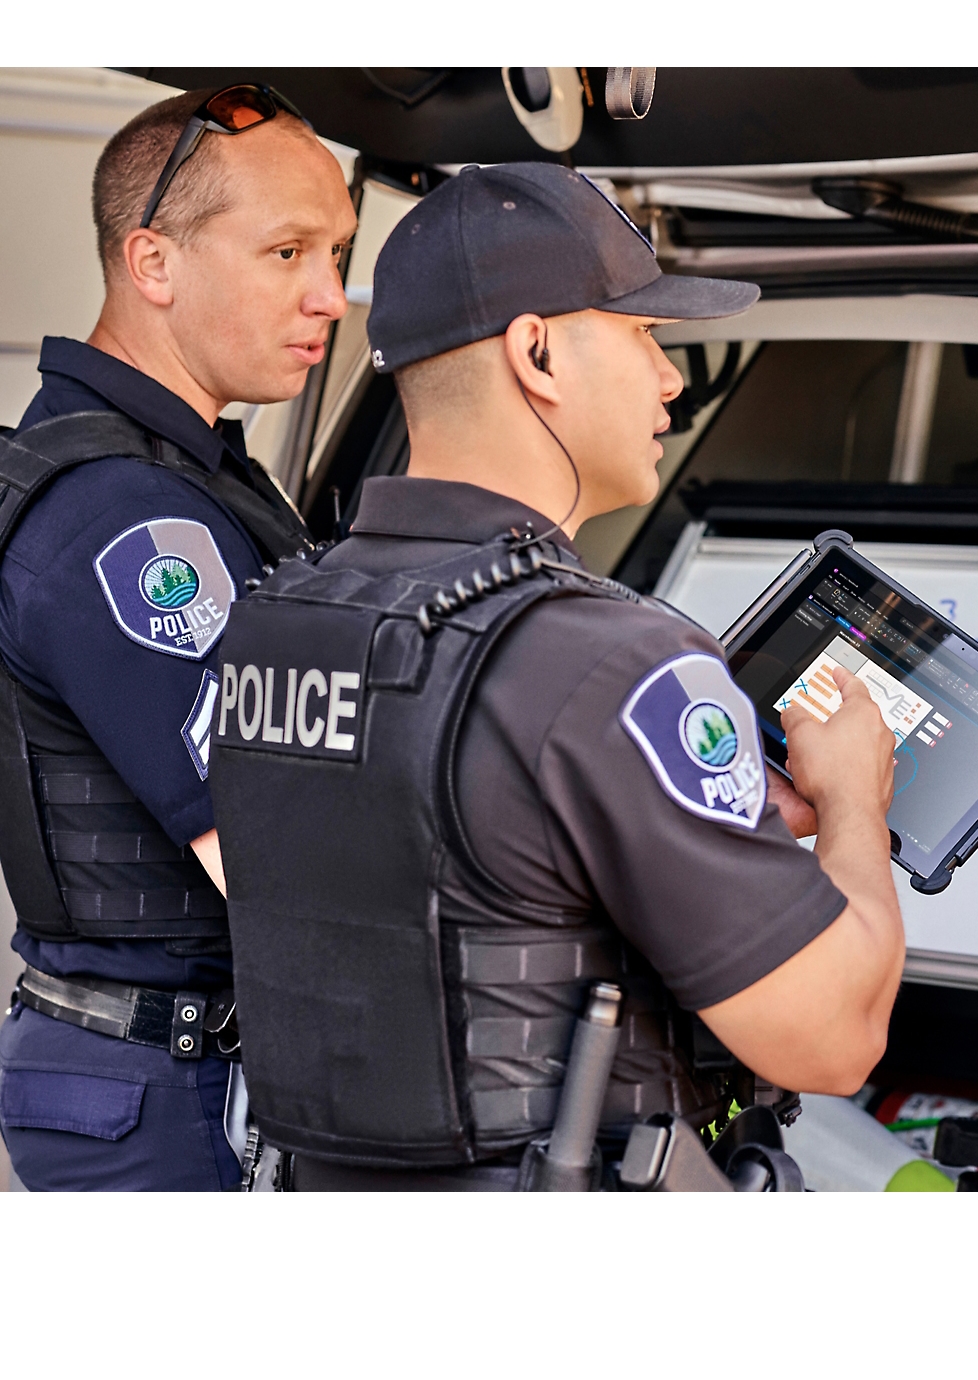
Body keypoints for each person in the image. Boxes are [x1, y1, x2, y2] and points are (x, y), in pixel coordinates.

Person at [207, 162, 904, 1189]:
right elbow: (832, 1040)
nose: (672, 381)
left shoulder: (278, 619)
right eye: (643, 337)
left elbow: (458, 874)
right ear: (536, 352)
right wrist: (855, 801)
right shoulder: (614, 665)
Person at [0, 85, 349, 1189]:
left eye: (335, 252)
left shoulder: (193, 475)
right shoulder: (129, 519)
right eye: (287, 252)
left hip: (165, 1068)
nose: (331, 295)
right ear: (153, 264)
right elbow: (271, 847)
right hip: (159, 1084)